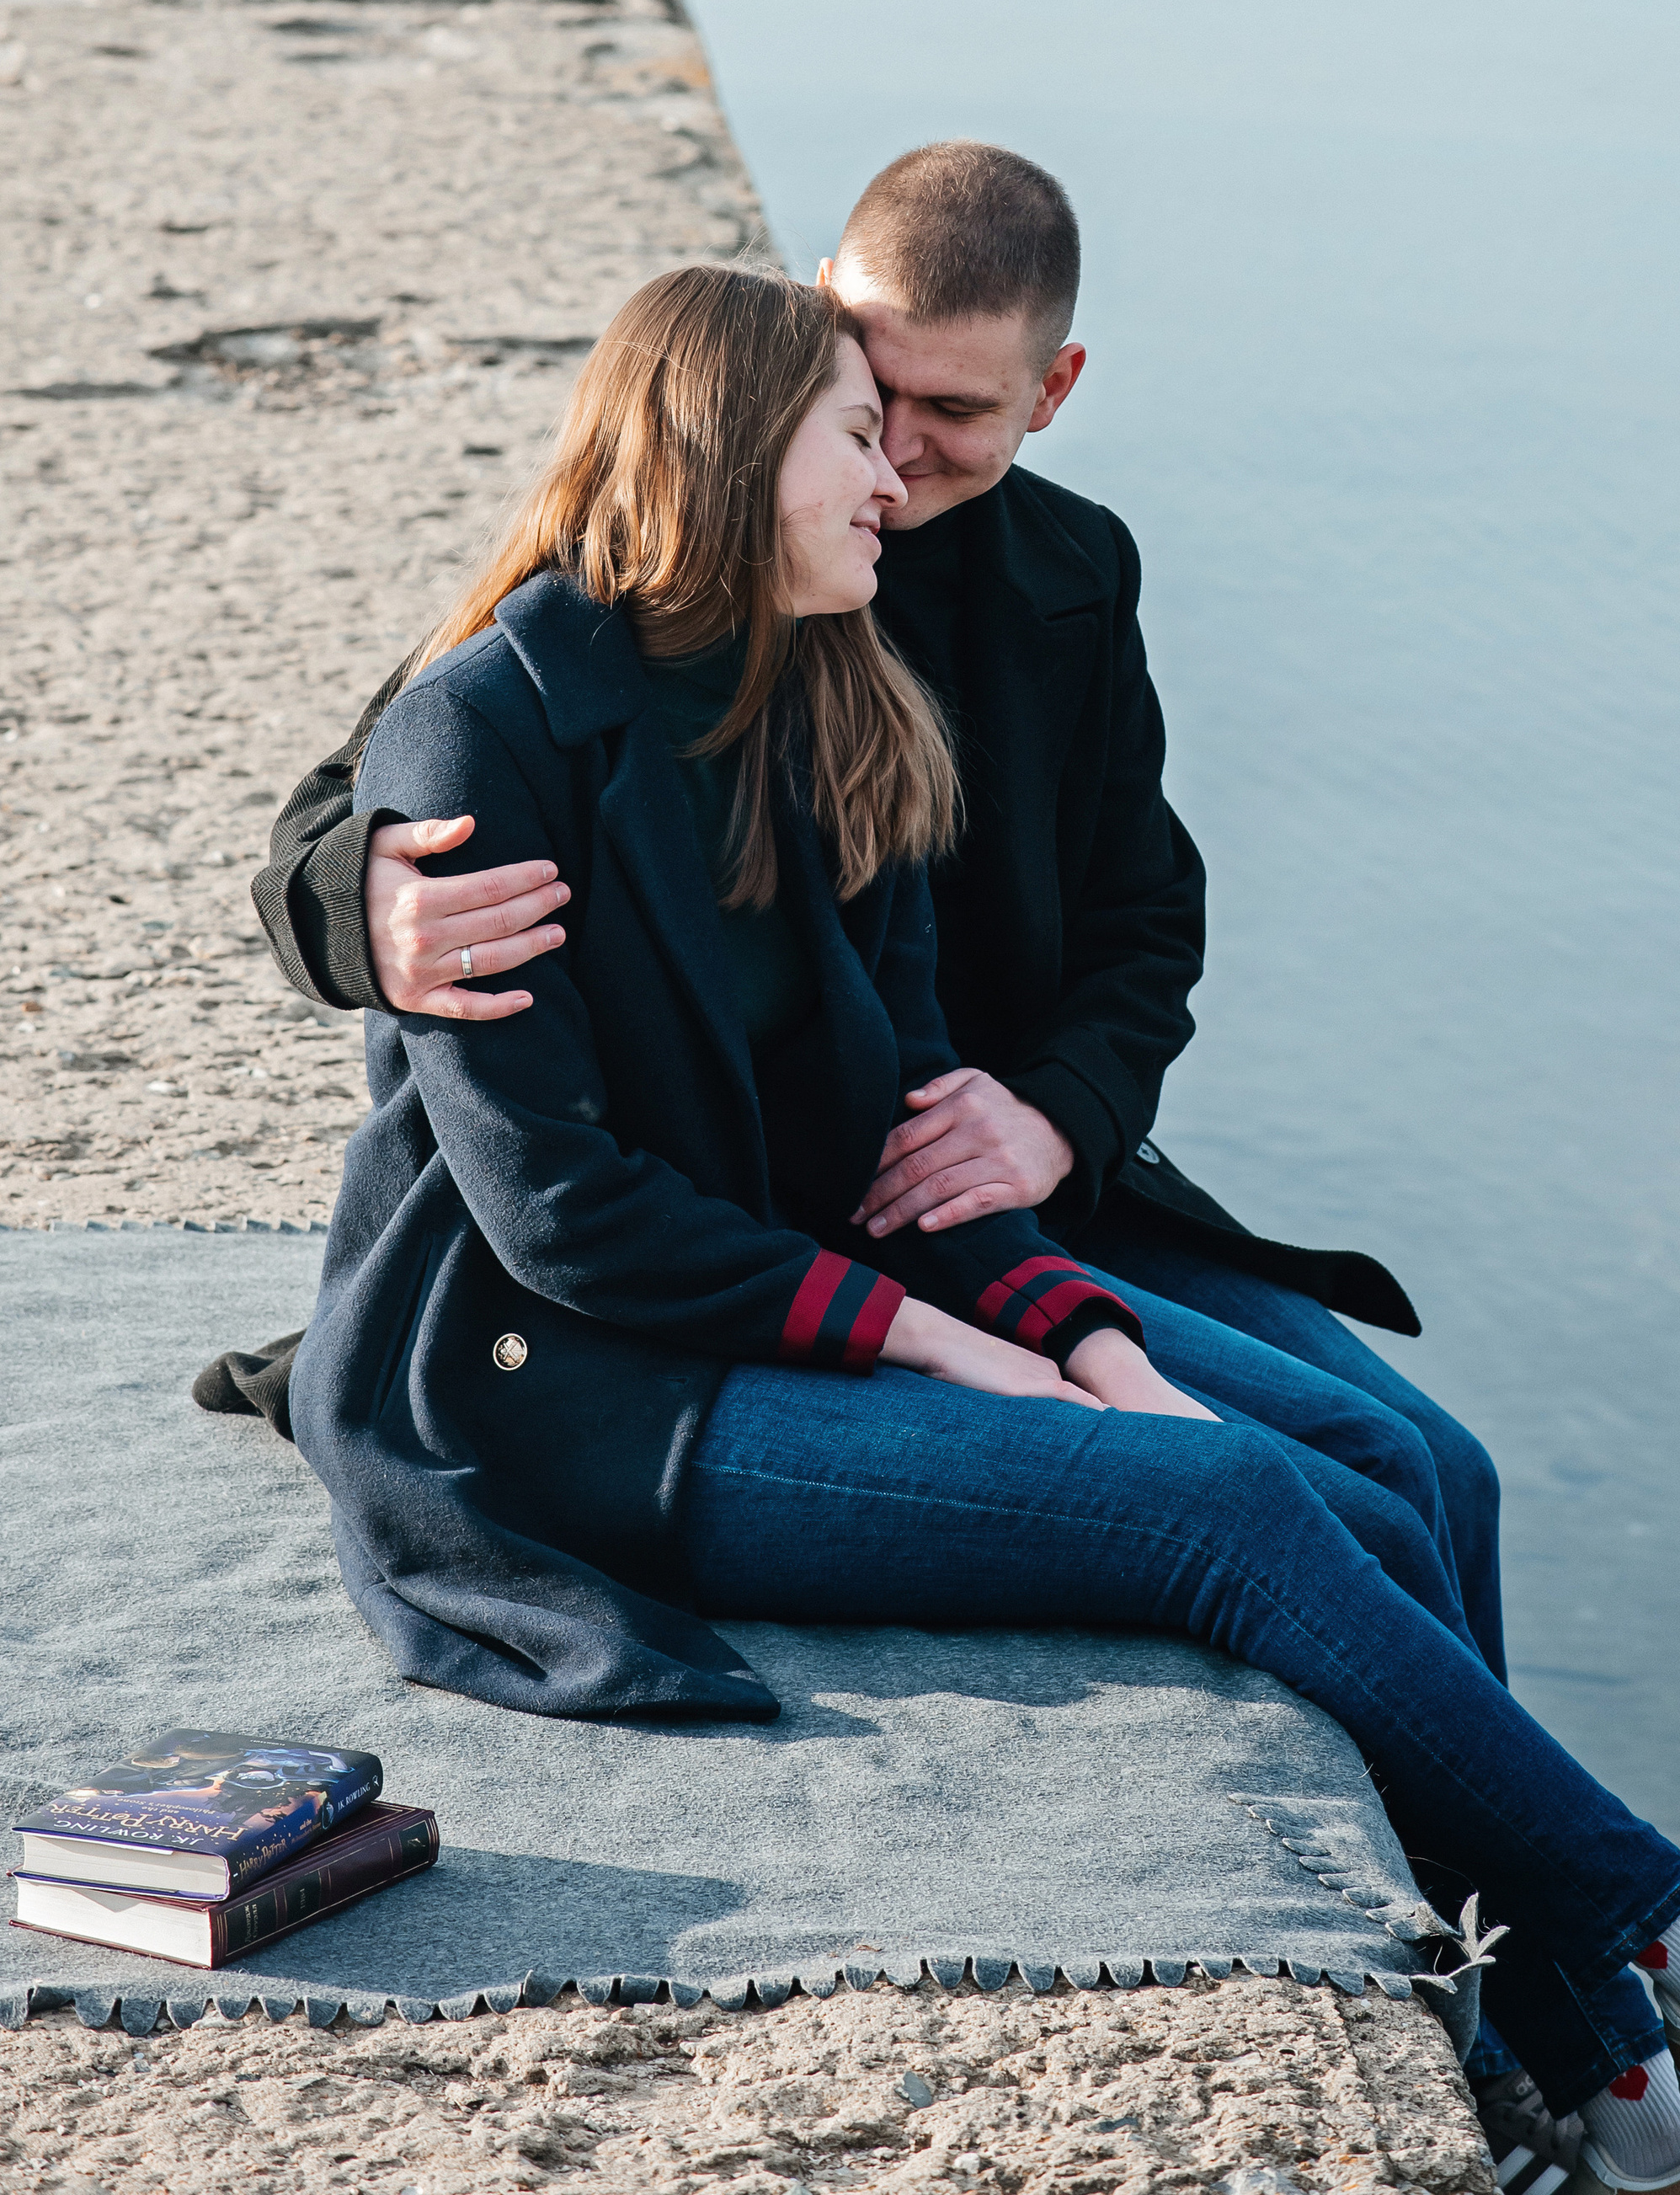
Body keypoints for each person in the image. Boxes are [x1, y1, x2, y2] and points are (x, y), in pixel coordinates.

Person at [291, 264, 1680, 2195]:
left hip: (789, 1309)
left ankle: (1599, 2098)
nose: (890, 482)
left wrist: (1096, 1344)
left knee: (1371, 1488)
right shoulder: (490, 733)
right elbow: (559, 1216)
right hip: (574, 1398)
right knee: (1223, 1512)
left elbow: (905, 1120)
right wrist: (972, 1352)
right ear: (723, 449)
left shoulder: (831, 704)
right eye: (856, 438)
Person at [248, 142, 1504, 1679]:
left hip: (1001, 1187)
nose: (897, 457)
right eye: (865, 394)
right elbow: (393, 771)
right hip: (778, 1199)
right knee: (1295, 1491)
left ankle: (1481, 1921)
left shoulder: (1074, 572)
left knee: (1444, 1470)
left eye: (956, 415)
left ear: (1054, 393)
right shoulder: (709, 551)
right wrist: (358, 903)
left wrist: (1053, 1116)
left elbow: (1145, 917)